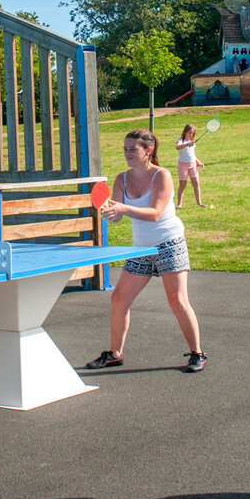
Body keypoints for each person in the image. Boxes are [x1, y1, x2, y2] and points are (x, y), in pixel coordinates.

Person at [86, 128, 207, 373]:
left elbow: (154, 214)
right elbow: (118, 217)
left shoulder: (162, 176)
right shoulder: (122, 179)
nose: (127, 153)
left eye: (133, 149)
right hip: (141, 248)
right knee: (119, 299)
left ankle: (197, 353)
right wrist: (111, 212)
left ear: (148, 151)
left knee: (178, 301)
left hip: (169, 244)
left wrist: (124, 209)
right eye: (125, 149)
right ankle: (115, 353)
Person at [174, 123, 210, 209]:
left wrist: (199, 163)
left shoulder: (192, 143)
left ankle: (199, 203)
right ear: (185, 132)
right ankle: (179, 204)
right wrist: (187, 144)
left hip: (193, 165)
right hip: (183, 165)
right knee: (182, 184)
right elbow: (177, 147)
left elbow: (193, 155)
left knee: (196, 182)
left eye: (192, 133)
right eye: (189, 133)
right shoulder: (180, 141)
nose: (191, 135)